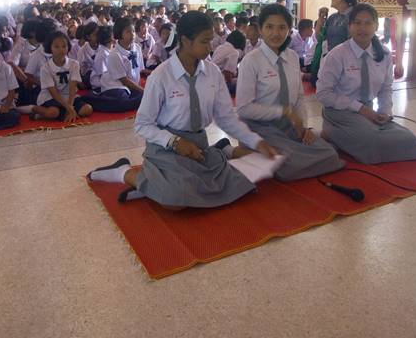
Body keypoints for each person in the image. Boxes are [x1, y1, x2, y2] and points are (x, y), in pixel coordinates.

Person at [87, 11, 279, 209]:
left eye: (210, 40)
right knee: (176, 200)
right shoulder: (161, 76)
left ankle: (160, 183)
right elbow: (142, 125)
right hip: (165, 147)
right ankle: (123, 171)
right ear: (186, 41)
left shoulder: (212, 73)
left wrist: (256, 142)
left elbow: (227, 118)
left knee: (241, 181)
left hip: (198, 146)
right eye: (204, 41)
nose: (210, 47)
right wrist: (175, 142)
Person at [236, 4, 343, 181]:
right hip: (260, 127)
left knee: (330, 153)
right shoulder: (251, 61)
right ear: (260, 29)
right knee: (288, 163)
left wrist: (305, 127)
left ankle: (272, 158)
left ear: (289, 30)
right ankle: (250, 151)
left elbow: (299, 97)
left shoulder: (292, 57)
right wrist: (283, 112)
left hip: (289, 125)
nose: (276, 33)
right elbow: (243, 109)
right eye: (269, 27)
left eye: (282, 27)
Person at [316, 3, 416, 165]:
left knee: (410, 139)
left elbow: (386, 88)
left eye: (368, 23)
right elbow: (323, 94)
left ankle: (345, 138)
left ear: (376, 26)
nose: (362, 28)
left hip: (369, 113)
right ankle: (331, 132)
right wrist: (360, 108)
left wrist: (385, 112)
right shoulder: (337, 55)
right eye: (357, 23)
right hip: (340, 112)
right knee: (373, 139)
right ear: (349, 26)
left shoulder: (384, 54)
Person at [81, 18, 143, 113]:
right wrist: (142, 90)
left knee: (141, 96)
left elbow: (139, 70)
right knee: (123, 99)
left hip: (131, 86)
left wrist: (140, 89)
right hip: (114, 85)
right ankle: (92, 99)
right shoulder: (114, 54)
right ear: (119, 34)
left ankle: (136, 100)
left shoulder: (137, 48)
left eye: (133, 31)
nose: (132, 34)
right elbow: (124, 80)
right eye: (128, 32)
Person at [30, 31, 93, 122]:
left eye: (64, 46)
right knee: (53, 112)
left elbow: (72, 87)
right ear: (50, 48)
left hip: (69, 96)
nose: (61, 50)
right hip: (51, 97)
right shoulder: (46, 68)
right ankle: (35, 109)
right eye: (56, 47)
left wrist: (70, 106)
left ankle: (61, 114)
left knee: (87, 109)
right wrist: (70, 109)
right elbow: (53, 92)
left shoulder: (74, 64)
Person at [211, 29, 245, 95]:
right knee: (243, 85)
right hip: (218, 84)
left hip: (210, 80)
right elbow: (228, 75)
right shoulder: (234, 52)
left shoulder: (220, 47)